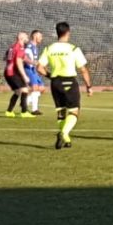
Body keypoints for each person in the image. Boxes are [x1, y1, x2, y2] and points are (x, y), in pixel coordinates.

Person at [37, 22, 93, 150]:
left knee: (61, 112)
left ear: (57, 33)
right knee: (74, 112)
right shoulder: (73, 49)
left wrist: (51, 76)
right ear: (68, 32)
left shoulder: (49, 48)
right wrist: (89, 87)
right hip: (69, 82)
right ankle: (64, 133)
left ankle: (66, 140)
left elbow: (39, 68)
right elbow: (83, 70)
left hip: (55, 83)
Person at [3, 31, 33, 118]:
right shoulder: (19, 48)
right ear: (21, 38)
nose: (27, 39)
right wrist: (24, 76)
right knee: (25, 90)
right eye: (26, 37)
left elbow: (6, 58)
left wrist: (33, 62)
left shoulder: (12, 47)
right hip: (13, 72)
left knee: (17, 92)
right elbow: (19, 62)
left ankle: (9, 111)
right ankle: (24, 112)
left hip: (7, 72)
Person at [24, 30, 45, 115]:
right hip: (28, 69)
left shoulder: (35, 47)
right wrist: (33, 63)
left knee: (42, 88)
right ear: (35, 36)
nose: (41, 38)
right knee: (35, 88)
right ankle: (34, 110)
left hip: (33, 70)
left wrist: (38, 67)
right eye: (40, 36)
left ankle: (25, 102)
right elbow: (24, 58)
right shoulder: (29, 46)